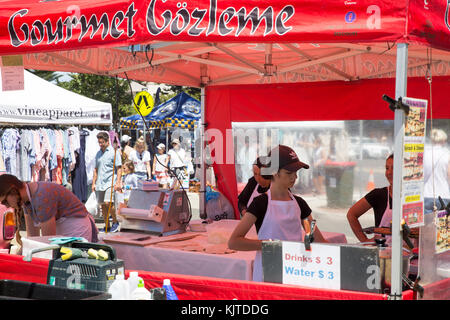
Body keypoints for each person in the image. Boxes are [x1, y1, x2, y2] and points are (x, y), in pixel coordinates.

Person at [228, 145, 328, 282]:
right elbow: (234, 242)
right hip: (267, 275)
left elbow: (315, 237)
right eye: (289, 173)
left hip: (295, 272)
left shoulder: (300, 203)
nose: (295, 177)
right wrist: (267, 245)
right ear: (275, 172)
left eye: (296, 172)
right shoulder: (260, 204)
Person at [0, 174, 99, 243]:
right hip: (62, 228)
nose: (7, 206)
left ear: (13, 190)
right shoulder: (26, 199)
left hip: (76, 226)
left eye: (5, 201)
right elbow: (32, 238)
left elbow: (48, 242)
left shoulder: (42, 197)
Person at [347, 154, 394, 244]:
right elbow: (351, 214)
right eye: (387, 168)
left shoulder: (414, 198)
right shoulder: (379, 195)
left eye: (394, 168)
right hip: (382, 254)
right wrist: (365, 241)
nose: (389, 172)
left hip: (409, 253)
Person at [92, 131, 122, 233]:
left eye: (102, 142)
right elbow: (95, 169)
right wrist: (93, 183)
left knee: (109, 202)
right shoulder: (98, 153)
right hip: (100, 182)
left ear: (107, 141)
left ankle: (115, 222)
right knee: (103, 205)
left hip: (110, 181)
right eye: (99, 142)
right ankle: (107, 225)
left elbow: (119, 168)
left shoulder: (114, 152)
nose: (100, 144)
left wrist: (118, 182)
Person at [423, 129, 450, 213]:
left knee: (427, 225)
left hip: (425, 194)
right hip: (443, 195)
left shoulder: (424, 153)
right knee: (442, 224)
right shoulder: (447, 153)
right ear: (443, 140)